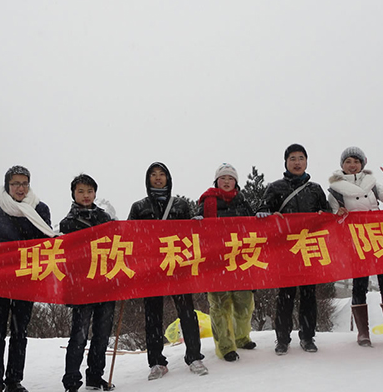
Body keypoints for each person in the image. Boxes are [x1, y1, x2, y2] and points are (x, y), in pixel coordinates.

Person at [0, 165, 54, 392]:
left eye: (24, 183)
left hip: (26, 280)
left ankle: (14, 380)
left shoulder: (40, 209)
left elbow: (46, 242)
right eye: (15, 184)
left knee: (19, 332)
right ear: (7, 186)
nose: (20, 188)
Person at [128, 162, 208, 379]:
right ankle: (156, 362)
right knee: (152, 316)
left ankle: (194, 356)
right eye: (153, 174)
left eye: (161, 174)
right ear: (148, 179)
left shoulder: (180, 205)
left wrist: (196, 224)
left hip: (178, 266)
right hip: (151, 269)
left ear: (168, 178)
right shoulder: (139, 207)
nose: (158, 178)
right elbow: (129, 237)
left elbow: (190, 235)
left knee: (187, 313)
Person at [327, 146, 383, 346]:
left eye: (356, 161)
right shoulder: (335, 190)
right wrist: (339, 215)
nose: (352, 165)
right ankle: (363, 333)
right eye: (348, 161)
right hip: (357, 239)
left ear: (362, 164)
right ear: (342, 165)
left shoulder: (372, 184)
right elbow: (333, 218)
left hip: (379, 236)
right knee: (359, 284)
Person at [258, 144, 331, 355]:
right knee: (285, 296)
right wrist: (268, 215)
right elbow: (262, 212)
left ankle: (307, 337)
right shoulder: (275, 188)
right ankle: (282, 339)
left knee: (309, 296)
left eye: (301, 158)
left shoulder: (315, 189)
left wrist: (324, 215)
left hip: (309, 249)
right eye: (292, 158)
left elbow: (327, 215)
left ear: (306, 162)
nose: (297, 162)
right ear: (286, 162)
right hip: (285, 251)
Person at [60, 174, 116, 392]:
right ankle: (72, 383)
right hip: (81, 287)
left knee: (102, 334)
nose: (85, 195)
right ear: (73, 194)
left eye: (90, 191)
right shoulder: (67, 224)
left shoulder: (105, 219)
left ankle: (95, 375)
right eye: (81, 191)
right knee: (79, 335)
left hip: (105, 284)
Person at [197, 163, 257, 361]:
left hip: (241, 261)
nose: (226, 181)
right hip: (216, 263)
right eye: (223, 178)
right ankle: (225, 347)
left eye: (230, 178)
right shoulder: (207, 202)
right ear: (216, 181)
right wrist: (196, 222)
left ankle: (241, 337)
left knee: (244, 304)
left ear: (236, 182)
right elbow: (197, 232)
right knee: (219, 307)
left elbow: (254, 229)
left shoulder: (243, 202)